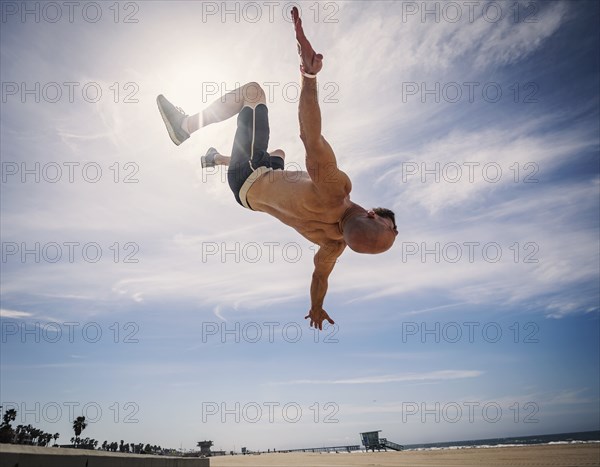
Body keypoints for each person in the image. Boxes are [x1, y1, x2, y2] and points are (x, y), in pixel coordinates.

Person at [157, 7, 398, 330]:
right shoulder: (331, 246)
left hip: (251, 172)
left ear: (371, 214)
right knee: (279, 154)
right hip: (245, 197)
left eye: (389, 226)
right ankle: (214, 159)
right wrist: (316, 308)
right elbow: (319, 277)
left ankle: (183, 126)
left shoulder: (335, 191)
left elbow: (311, 138)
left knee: (252, 92)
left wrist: (309, 76)